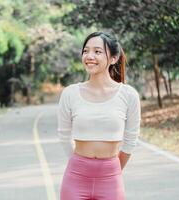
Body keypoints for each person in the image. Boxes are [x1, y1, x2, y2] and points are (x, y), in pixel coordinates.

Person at [57, 31, 141, 200]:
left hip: (110, 177)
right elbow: (64, 136)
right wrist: (79, 164)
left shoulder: (129, 94)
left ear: (113, 58)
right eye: (86, 51)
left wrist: (112, 168)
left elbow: (130, 140)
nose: (89, 56)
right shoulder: (70, 93)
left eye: (97, 51)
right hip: (76, 177)